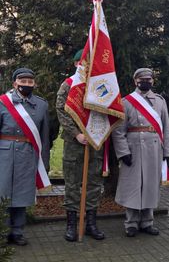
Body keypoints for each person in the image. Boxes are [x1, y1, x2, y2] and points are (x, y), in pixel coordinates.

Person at [111, 68, 169, 237]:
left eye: (149, 79)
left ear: (153, 81)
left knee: (151, 186)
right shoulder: (126, 102)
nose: (145, 81)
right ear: (135, 81)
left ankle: (147, 222)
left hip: (154, 149)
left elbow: (166, 128)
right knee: (133, 185)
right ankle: (131, 222)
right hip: (133, 149)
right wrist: (123, 152)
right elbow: (118, 130)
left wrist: (168, 152)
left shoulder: (160, 102)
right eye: (142, 79)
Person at [56, 50, 105, 242]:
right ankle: (71, 225)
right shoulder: (68, 85)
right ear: (75, 64)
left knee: (93, 183)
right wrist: (76, 134)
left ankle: (91, 224)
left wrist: (95, 133)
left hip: (94, 141)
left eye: (87, 63)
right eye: (80, 63)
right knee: (73, 184)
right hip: (74, 142)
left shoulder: (99, 86)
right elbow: (62, 110)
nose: (83, 67)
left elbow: (105, 109)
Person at [0, 68, 49, 246]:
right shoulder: (2, 103)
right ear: (15, 83)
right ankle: (3, 232)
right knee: (3, 194)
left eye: (30, 82)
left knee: (22, 195)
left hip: (28, 155)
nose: (27, 85)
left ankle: (18, 232)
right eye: (23, 81)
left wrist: (44, 161)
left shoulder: (42, 105)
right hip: (4, 155)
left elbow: (44, 137)